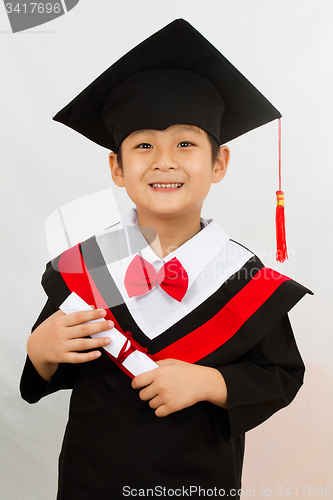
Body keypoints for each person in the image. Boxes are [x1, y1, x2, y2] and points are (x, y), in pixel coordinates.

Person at [20, 19, 312, 499]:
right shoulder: (87, 266)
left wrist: (210, 382)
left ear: (218, 163)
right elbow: (44, 374)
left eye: (185, 143)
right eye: (143, 145)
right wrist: (41, 351)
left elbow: (280, 377)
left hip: (199, 485)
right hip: (90, 482)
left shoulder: (245, 279)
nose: (164, 161)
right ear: (117, 167)